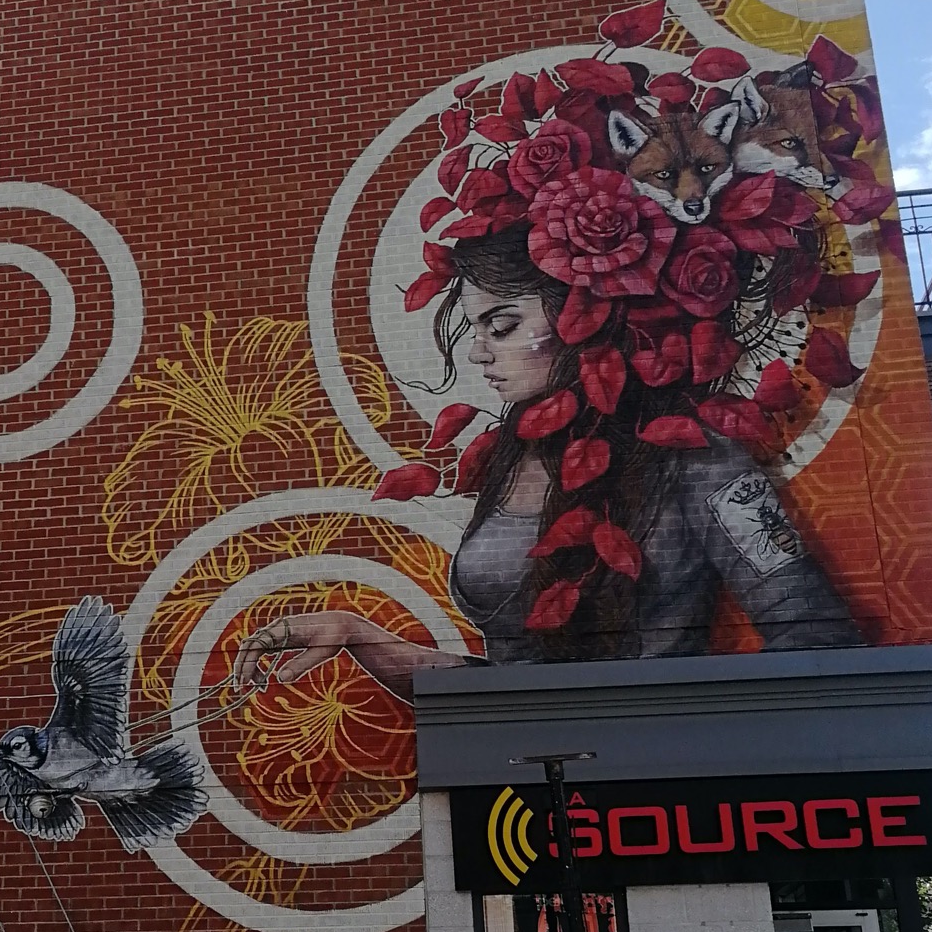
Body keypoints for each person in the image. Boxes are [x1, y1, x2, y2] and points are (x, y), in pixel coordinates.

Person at [234, 223, 862, 700]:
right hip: (521, 781)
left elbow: (818, 638)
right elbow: (512, 690)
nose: (478, 353)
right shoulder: (507, 461)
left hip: (652, 787)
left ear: (583, 320)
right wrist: (357, 632)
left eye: (503, 325)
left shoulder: (692, 456)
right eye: (475, 329)